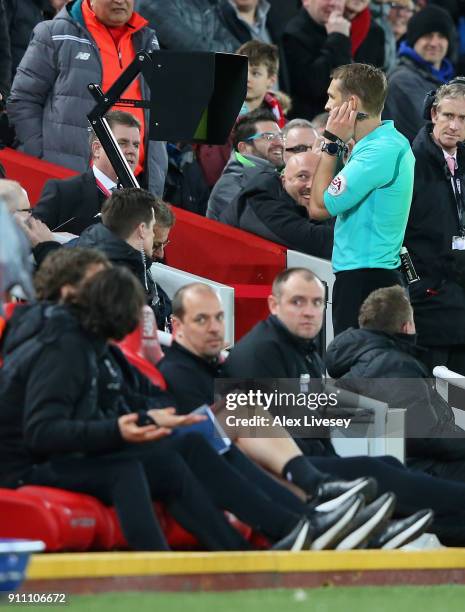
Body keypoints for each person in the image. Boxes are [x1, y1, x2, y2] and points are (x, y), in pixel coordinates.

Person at [159, 278, 436, 548]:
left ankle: (356, 529)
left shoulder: (212, 365)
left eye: (219, 318)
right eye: (201, 320)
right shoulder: (181, 373)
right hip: (248, 471)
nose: (214, 328)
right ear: (177, 325)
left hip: (279, 464)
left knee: (383, 465)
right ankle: (338, 517)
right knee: (374, 470)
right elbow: (215, 452)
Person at [223, 267, 465, 546]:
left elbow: (312, 415)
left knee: (385, 466)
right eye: (297, 302)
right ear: (273, 305)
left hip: (317, 458)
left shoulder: (305, 350)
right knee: (379, 473)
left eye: (316, 302)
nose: (309, 311)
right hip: (292, 470)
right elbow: (259, 431)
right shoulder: (261, 351)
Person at [7, 0, 167, 197]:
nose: (120, 1)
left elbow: (159, 113)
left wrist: (155, 176)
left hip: (133, 187)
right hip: (71, 182)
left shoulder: (148, 41)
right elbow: (23, 100)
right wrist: (43, 157)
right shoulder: (54, 34)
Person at [308, 63, 414, 335]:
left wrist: (331, 144)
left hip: (364, 280)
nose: (327, 106)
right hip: (372, 275)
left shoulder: (377, 152)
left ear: (351, 103)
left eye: (332, 97)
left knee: (355, 371)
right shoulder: (385, 142)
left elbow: (318, 208)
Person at [325, 285, 465, 482]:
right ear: (406, 327)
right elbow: (425, 437)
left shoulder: (362, 356)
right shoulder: (393, 365)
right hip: (417, 468)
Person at [404, 81, 465, 375]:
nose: (454, 125)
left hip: (459, 302)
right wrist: (415, 285)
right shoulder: (408, 163)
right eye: (448, 116)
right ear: (433, 114)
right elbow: (396, 236)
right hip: (428, 306)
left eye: (463, 119)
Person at [33, 111, 142, 236]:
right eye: (122, 143)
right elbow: (33, 240)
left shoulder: (142, 201)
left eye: (136, 145)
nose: (132, 151)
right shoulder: (64, 191)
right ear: (97, 149)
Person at [220, 151, 333, 260]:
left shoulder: (318, 201)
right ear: (283, 181)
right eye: (302, 176)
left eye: (319, 177)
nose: (312, 185)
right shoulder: (260, 199)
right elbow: (315, 242)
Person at [383, 5, 455, 143]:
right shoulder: (402, 79)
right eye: (428, 36)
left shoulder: (445, 79)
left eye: (441, 36)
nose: (434, 43)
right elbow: (435, 130)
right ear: (414, 40)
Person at [206, 109, 283, 221]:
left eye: (280, 137)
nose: (279, 143)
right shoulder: (232, 182)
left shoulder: (274, 176)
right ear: (244, 148)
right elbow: (263, 226)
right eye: (268, 137)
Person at [282, 0, 352, 121]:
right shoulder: (292, 34)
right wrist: (337, 37)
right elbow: (313, 86)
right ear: (306, 1)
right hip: (306, 125)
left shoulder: (339, 28)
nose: (333, 3)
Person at [135, 0, 239, 52]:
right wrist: (227, 48)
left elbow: (239, 48)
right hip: (167, 88)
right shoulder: (155, 3)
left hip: (201, 84)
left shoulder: (206, 5)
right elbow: (195, 49)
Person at [236, 40, 286, 125]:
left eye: (255, 73)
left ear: (271, 80)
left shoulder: (282, 124)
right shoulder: (217, 111)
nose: (247, 78)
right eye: (242, 71)